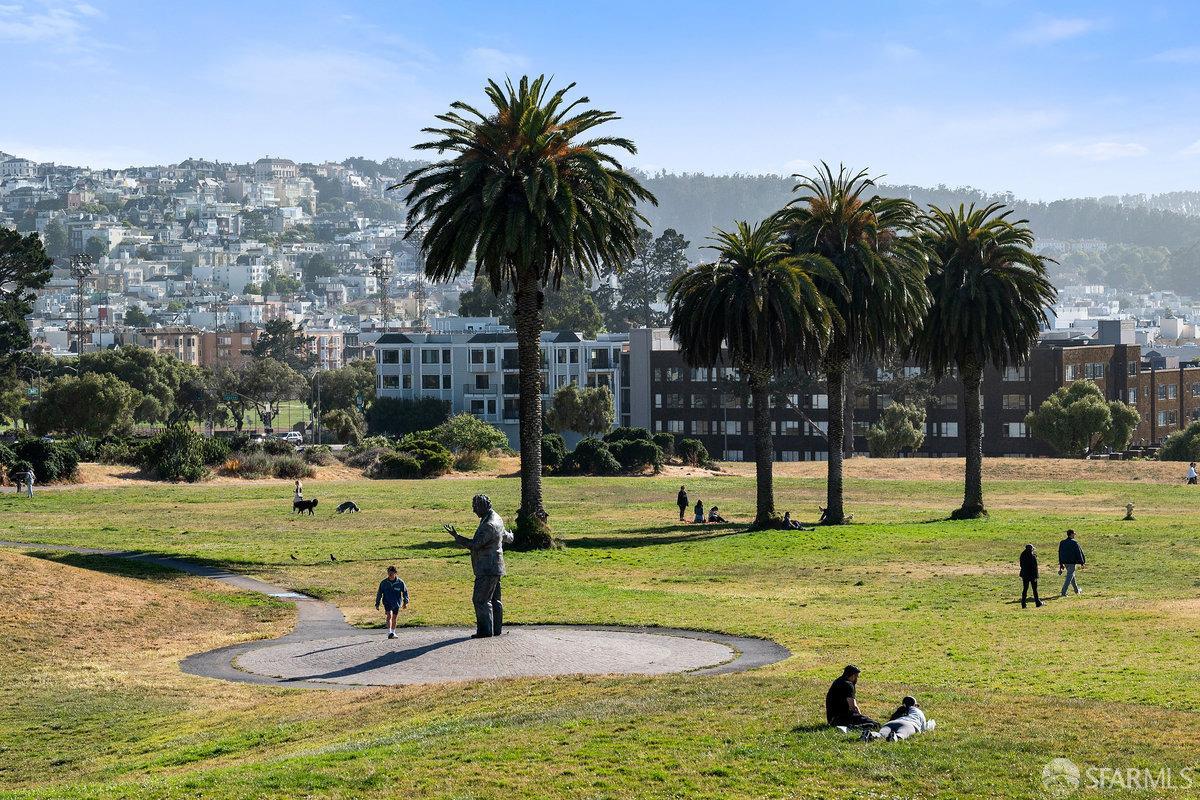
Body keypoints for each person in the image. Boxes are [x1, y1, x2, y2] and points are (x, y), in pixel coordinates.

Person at [446, 494, 514, 638]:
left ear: (483, 506)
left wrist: (457, 537)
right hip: (495, 567)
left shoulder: (489, 525)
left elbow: (474, 545)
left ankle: (485, 631)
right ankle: (496, 629)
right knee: (494, 599)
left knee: (481, 599)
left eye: (475, 507)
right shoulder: (496, 518)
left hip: (487, 568)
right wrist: (512, 536)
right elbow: (506, 537)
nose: (473, 511)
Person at [825, 664, 878, 731]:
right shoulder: (848, 685)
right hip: (842, 718)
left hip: (832, 719)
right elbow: (853, 707)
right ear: (853, 675)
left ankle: (846, 727)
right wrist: (860, 717)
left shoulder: (838, 681)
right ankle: (850, 728)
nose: (857, 679)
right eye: (857, 676)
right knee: (875, 725)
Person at [374, 565, 409, 639]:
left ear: (395, 573)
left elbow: (405, 592)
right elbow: (379, 593)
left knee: (394, 618)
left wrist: (405, 602)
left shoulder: (400, 582)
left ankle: (393, 632)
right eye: (388, 573)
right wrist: (377, 603)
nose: (390, 575)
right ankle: (389, 632)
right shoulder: (384, 583)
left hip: (396, 602)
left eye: (391, 573)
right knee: (389, 616)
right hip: (387, 602)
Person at [1058, 529, 1086, 596]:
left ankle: (1077, 590)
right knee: (1070, 576)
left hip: (1065, 562)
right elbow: (1079, 553)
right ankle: (1063, 592)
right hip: (1071, 562)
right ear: (1071, 534)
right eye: (1074, 534)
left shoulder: (1062, 542)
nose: (1074, 535)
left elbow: (1060, 553)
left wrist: (1061, 563)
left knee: (1071, 575)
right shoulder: (1074, 543)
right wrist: (1082, 562)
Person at [1019, 544, 1042, 608]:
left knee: (1025, 589)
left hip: (1025, 575)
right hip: (1032, 575)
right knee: (1034, 590)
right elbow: (1035, 568)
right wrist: (1036, 576)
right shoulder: (1033, 557)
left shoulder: (1022, 555)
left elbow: (1021, 565)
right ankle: (1037, 603)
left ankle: (1023, 604)